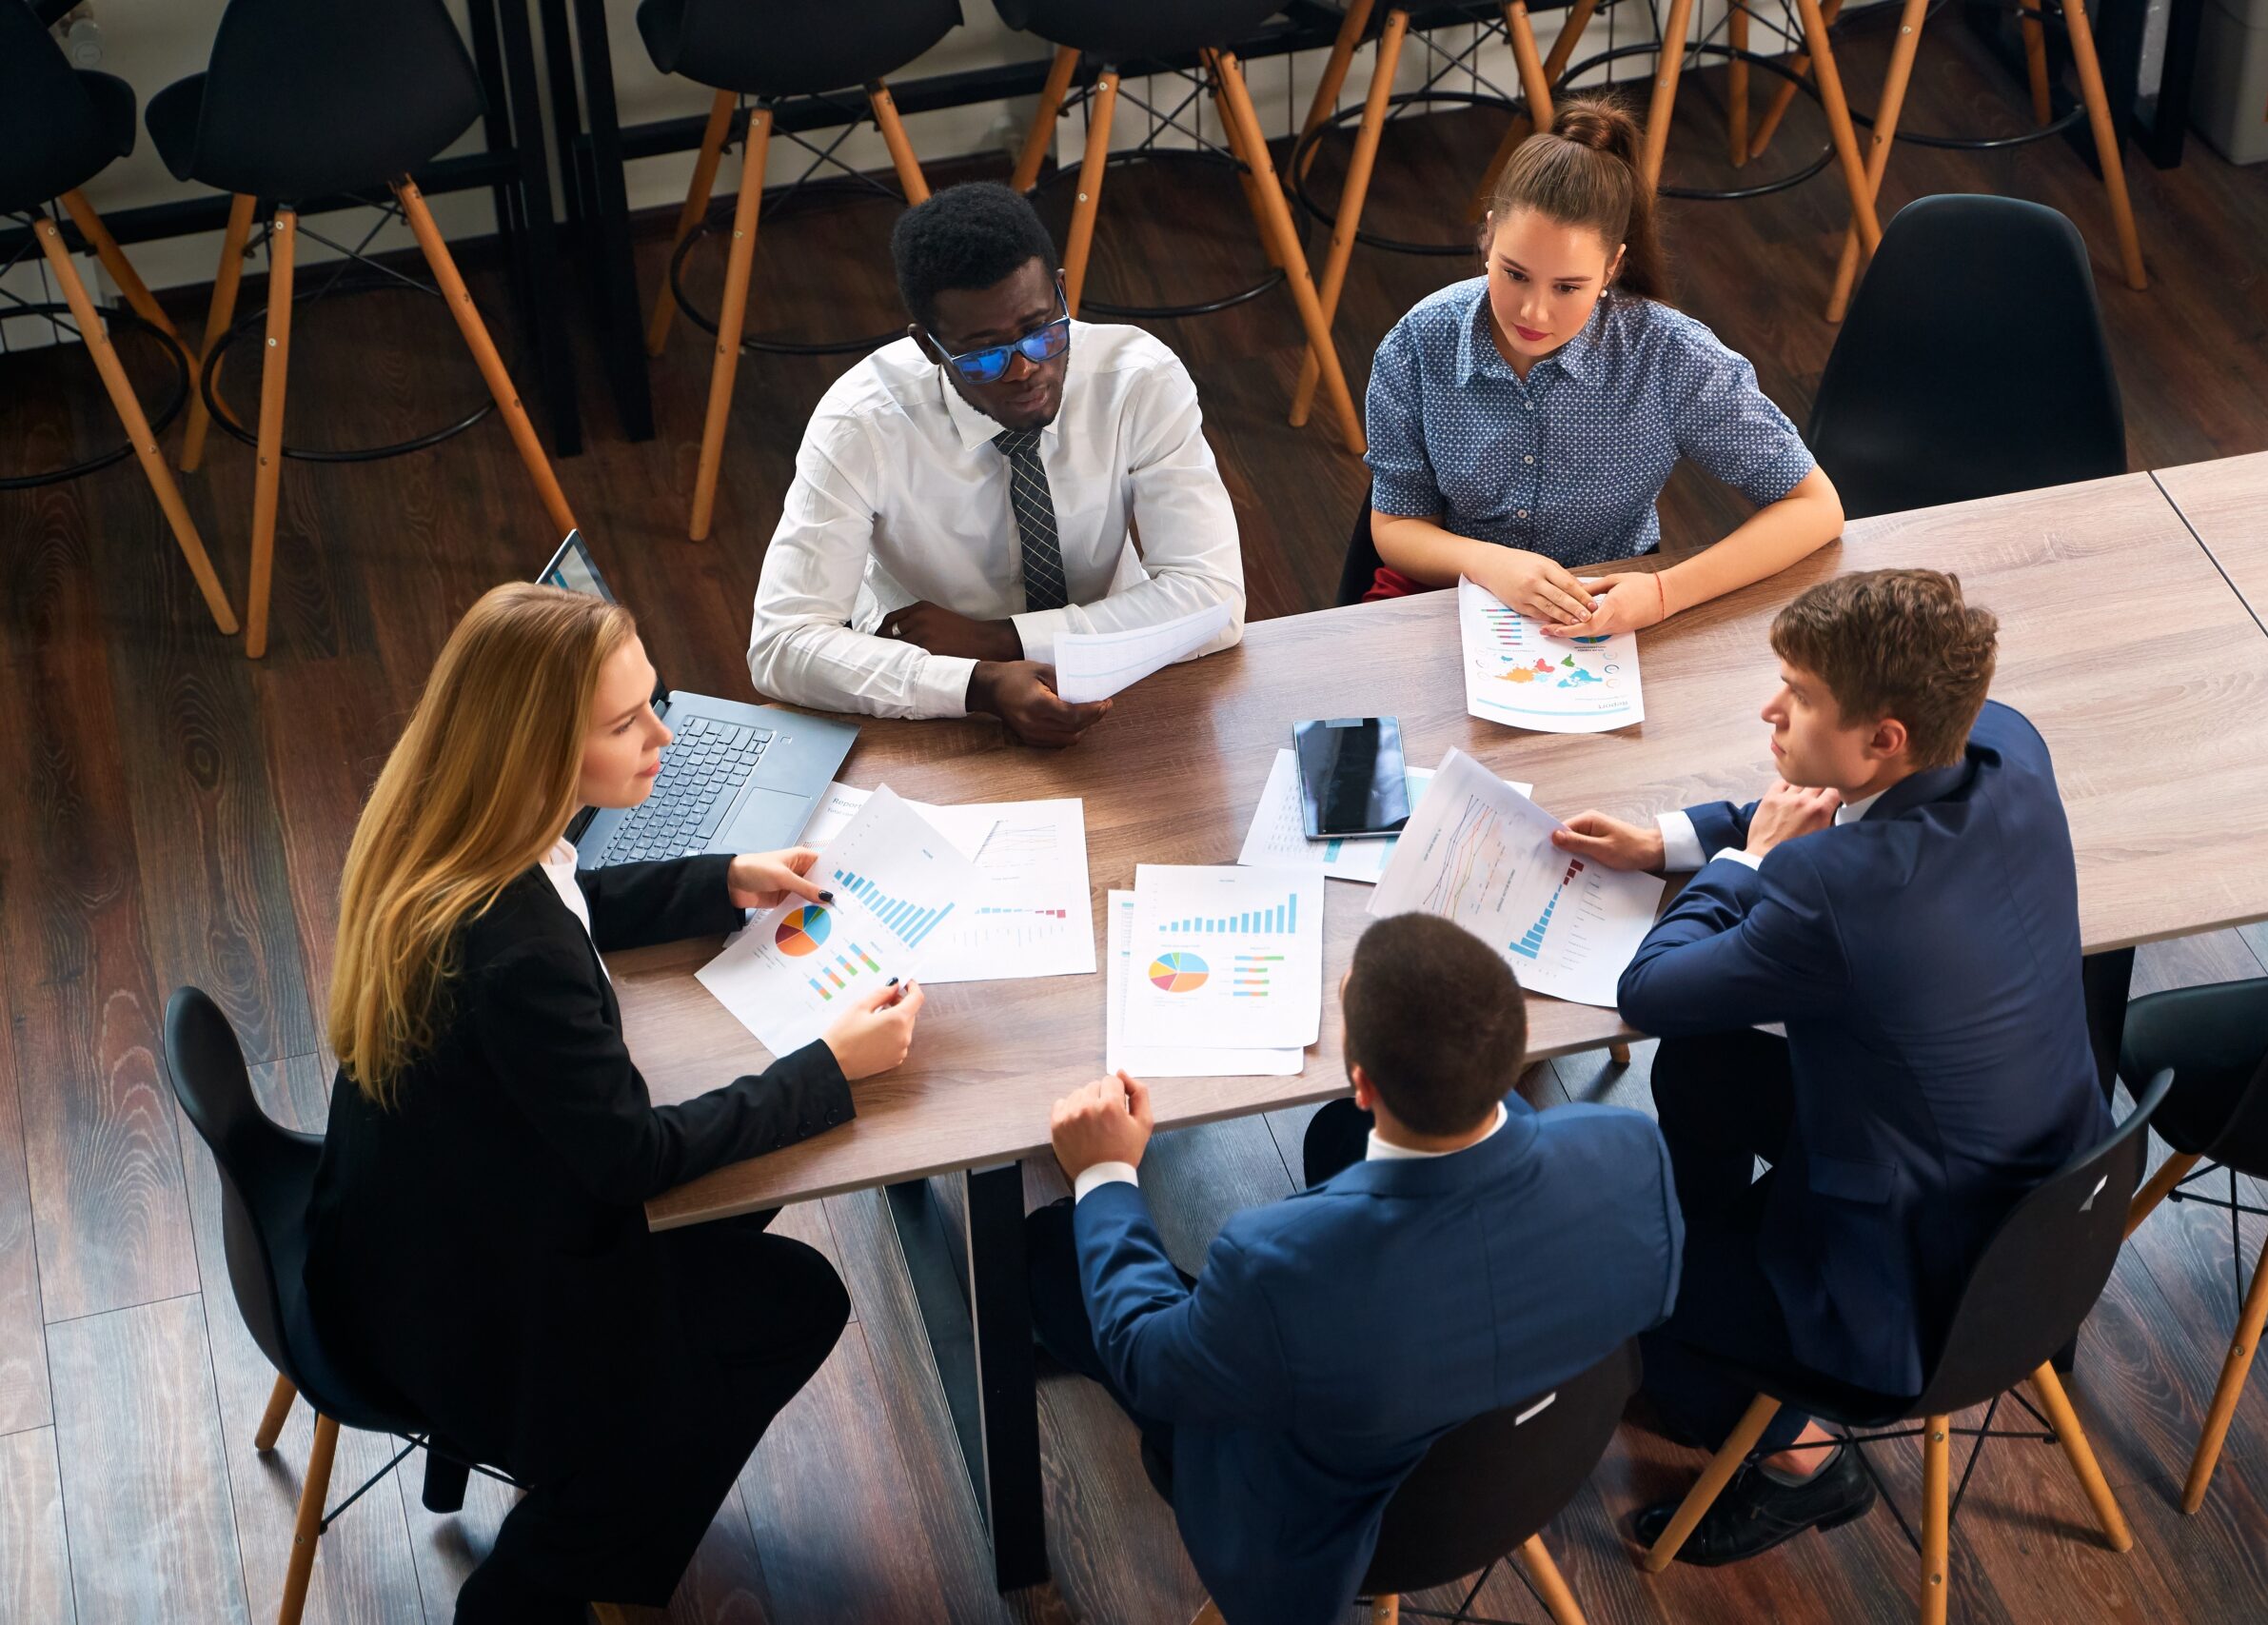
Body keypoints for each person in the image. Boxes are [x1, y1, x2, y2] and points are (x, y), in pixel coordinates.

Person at [305, 584, 927, 1623]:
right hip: (474, 1314)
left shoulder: (452, 837)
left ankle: (621, 1521)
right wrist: (829, 1066)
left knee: (737, 1205)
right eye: (627, 721)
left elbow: (570, 904)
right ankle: (554, 1570)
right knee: (796, 1298)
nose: (664, 736)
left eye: (654, 701)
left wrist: (720, 879)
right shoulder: (517, 954)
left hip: (390, 1232)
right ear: (539, 747)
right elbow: (628, 1161)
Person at [1551, 568, 2113, 1564]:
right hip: (2043, 1199)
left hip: (1913, 1284)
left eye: (1799, 696)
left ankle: (1795, 1459)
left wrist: (1743, 863)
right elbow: (1834, 805)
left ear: (1884, 736)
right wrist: (1671, 841)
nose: (1768, 709)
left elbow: (1652, 991)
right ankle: (1709, 1289)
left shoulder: (1833, 894)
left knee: (1609, 1261)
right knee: (1703, 1070)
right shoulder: (2004, 744)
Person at [1026, 914, 1682, 1624]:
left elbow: (1146, 1359)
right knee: (1340, 1136)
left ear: (1363, 1079)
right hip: (1544, 1460)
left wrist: (1105, 1170)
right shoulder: (1629, 1145)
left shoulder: (1275, 1265)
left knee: (1050, 1251)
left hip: (1334, 1537)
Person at [749, 181, 1246, 746]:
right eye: (984, 355)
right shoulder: (860, 424)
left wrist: (1004, 640)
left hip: (1122, 670)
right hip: (922, 688)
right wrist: (978, 684)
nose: (1022, 370)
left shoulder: (1139, 381)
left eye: (1039, 333)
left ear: (1061, 294)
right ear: (929, 347)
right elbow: (781, 645)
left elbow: (1215, 602)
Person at [1362, 95, 1842, 633]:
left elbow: (1816, 507)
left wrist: (1665, 591)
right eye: (1515, 273)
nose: (1534, 312)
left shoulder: (1669, 355)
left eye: (1568, 287)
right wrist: (1491, 564)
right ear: (1489, 235)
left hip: (1604, 606)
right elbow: (1398, 525)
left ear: (1613, 265)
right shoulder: (1419, 342)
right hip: (1443, 592)